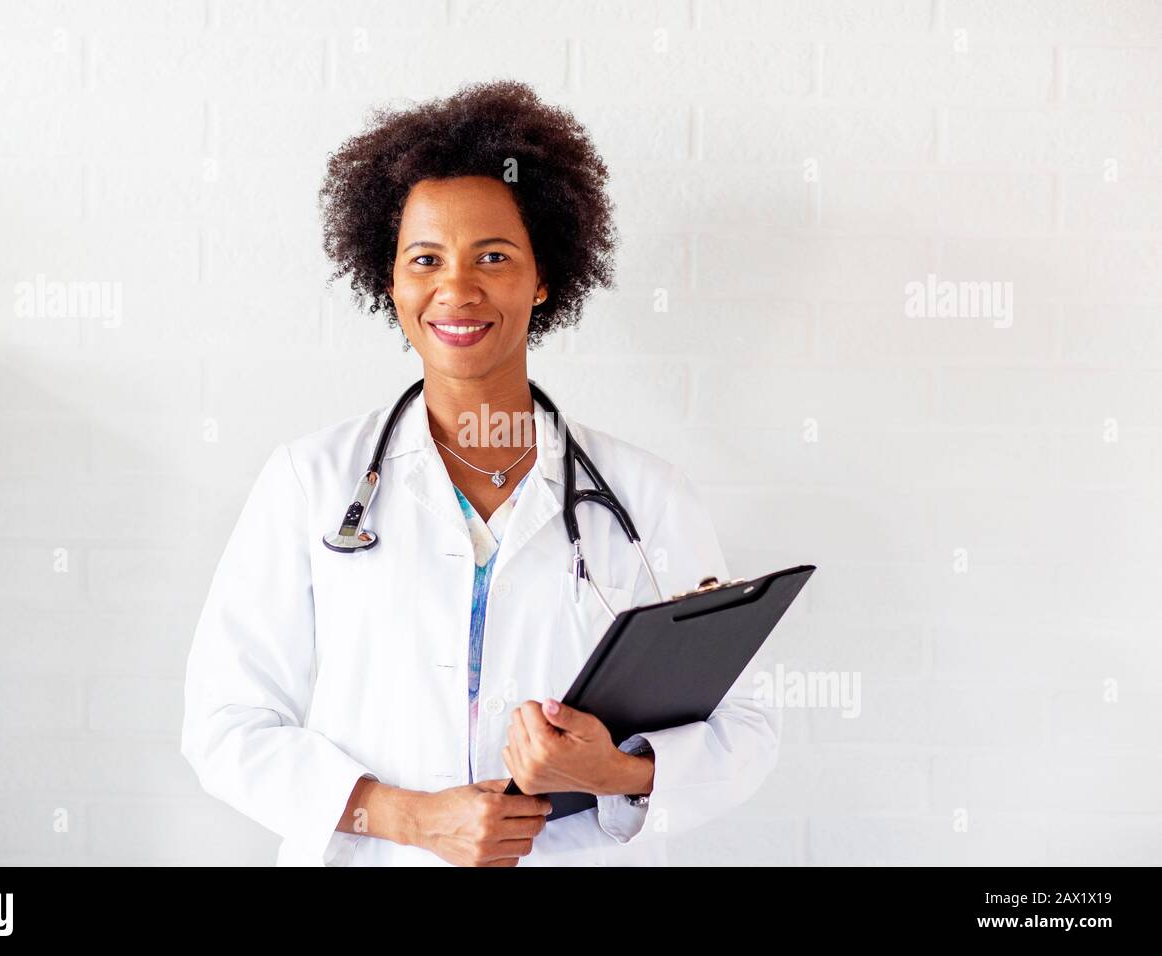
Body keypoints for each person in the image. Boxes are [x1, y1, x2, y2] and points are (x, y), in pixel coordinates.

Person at [181, 79, 780, 866]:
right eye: (424, 258)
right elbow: (224, 724)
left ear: (544, 278)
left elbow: (747, 727)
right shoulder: (309, 483)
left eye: (493, 257)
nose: (456, 289)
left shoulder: (649, 498)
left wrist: (619, 773)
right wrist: (406, 817)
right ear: (388, 280)